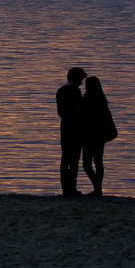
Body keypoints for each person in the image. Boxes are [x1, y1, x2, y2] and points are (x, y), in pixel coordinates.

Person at [82, 76, 118, 197]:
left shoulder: (87, 98)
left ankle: (97, 188)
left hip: (90, 135)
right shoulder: (102, 99)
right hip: (100, 136)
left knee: (87, 164)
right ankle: (98, 188)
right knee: (98, 162)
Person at [56, 66, 86, 196]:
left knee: (65, 158)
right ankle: (72, 187)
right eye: (80, 79)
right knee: (74, 159)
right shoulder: (75, 91)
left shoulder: (60, 91)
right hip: (75, 127)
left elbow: (61, 112)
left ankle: (65, 187)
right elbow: (80, 111)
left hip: (65, 127)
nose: (81, 83)